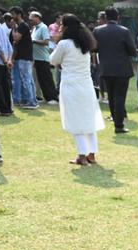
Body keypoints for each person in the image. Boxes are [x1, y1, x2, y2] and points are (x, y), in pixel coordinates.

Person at [49, 13, 101, 165]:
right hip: (86, 86)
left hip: (71, 86)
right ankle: (91, 154)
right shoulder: (85, 44)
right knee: (88, 120)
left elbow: (53, 60)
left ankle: (81, 155)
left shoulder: (65, 44)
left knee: (75, 120)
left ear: (65, 27)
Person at [93, 7, 134, 133]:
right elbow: (132, 51)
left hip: (106, 69)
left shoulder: (97, 31)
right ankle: (119, 125)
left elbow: (94, 48)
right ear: (118, 17)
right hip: (122, 69)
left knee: (111, 96)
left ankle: (114, 117)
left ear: (105, 17)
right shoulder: (124, 31)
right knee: (120, 97)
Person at [8, 5, 31, 106]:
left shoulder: (23, 26)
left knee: (26, 79)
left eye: (13, 14)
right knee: (16, 79)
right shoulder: (18, 27)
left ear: (19, 14)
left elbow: (16, 39)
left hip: (24, 57)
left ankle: (31, 101)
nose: (12, 17)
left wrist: (13, 27)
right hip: (17, 56)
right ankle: (17, 99)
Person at [28, 10, 54, 103]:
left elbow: (46, 42)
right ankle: (46, 97)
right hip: (36, 58)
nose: (30, 21)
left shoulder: (43, 27)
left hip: (43, 57)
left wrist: (34, 41)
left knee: (47, 79)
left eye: (31, 19)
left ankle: (52, 97)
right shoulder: (34, 28)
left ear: (37, 17)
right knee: (41, 79)